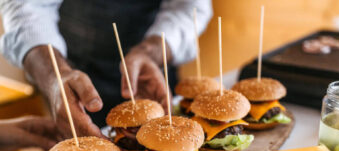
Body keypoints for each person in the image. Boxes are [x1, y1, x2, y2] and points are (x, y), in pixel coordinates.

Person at [0, 0, 213, 139]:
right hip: (72, 76)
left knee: (169, 140)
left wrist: (150, 51)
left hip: (154, 70)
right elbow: (26, 7)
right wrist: (55, 76)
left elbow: (190, 6)